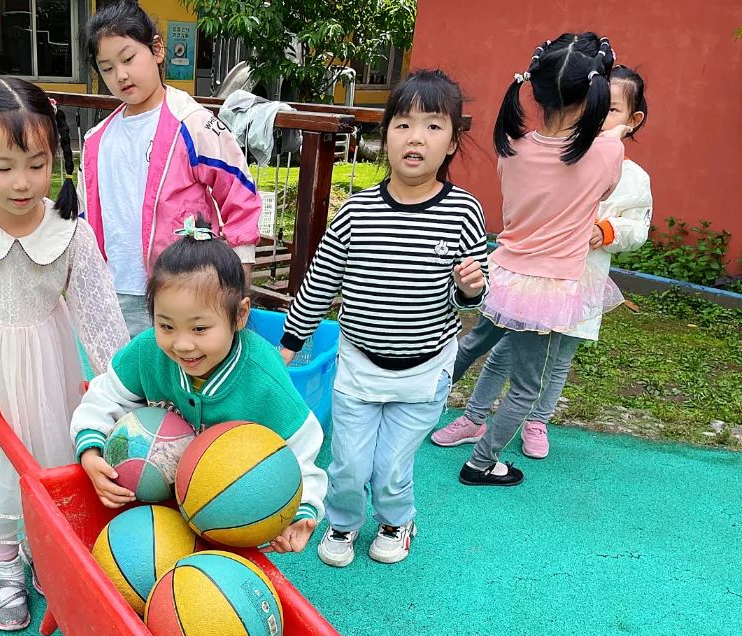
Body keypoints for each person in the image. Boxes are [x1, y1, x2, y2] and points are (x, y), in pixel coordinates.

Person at [0, 77, 129, 630]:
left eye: (37, 164)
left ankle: (45, 555)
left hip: (50, 366)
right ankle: (7, 568)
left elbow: (99, 312)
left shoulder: (69, 232)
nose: (22, 182)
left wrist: (121, 384)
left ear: (54, 156)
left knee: (54, 466)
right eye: (4, 166)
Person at [280, 69, 488, 567]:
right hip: (358, 366)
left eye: (433, 126)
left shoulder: (463, 213)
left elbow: (471, 301)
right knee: (350, 463)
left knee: (392, 465)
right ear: (385, 135)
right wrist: (288, 345)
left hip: (424, 369)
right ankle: (344, 522)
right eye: (403, 124)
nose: (416, 137)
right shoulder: (357, 213)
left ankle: (397, 520)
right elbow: (320, 284)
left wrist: (469, 290)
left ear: (453, 141)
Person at [432, 64, 650, 459]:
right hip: (541, 279)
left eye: (612, 111)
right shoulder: (594, 154)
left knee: (556, 360)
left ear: (633, 120)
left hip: (578, 283)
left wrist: (607, 231)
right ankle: (476, 421)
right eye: (598, 106)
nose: (601, 117)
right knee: (503, 355)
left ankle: (537, 421)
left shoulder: (631, 175)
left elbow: (638, 227)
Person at [71, 217, 325, 554]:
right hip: (157, 499)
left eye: (200, 328)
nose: (182, 345)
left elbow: (302, 450)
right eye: (166, 325)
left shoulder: (264, 377)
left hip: (228, 509)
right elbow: (104, 397)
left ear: (240, 315)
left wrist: (302, 509)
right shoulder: (147, 352)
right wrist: (90, 451)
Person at [80, 0, 261, 336]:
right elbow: (85, 218)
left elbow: (240, 198)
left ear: (157, 49)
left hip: (183, 293)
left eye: (129, 58)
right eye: (106, 68)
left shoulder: (192, 125)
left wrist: (237, 285)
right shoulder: (96, 141)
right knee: (120, 384)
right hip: (113, 295)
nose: (120, 75)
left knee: (181, 385)